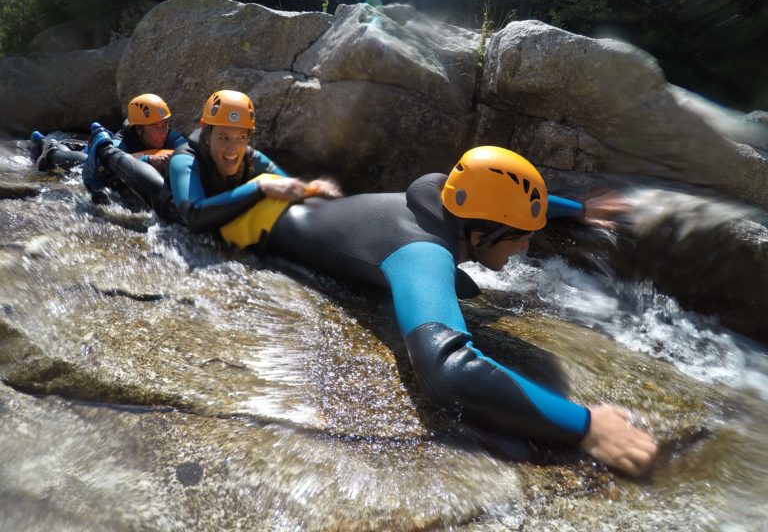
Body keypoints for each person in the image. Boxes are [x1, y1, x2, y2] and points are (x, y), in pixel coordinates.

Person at [237, 145, 657, 477]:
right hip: (254, 221)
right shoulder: (420, 253)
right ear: (477, 233)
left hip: (304, 204)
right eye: (518, 238)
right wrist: (586, 426)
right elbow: (448, 369)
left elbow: (513, 201)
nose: (526, 247)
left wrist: (581, 210)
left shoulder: (450, 194)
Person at [169, 89, 341, 238]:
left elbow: (288, 185)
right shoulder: (185, 159)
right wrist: (260, 188)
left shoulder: (251, 157)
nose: (233, 150)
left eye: (241, 137)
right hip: (174, 213)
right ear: (207, 137)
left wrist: (310, 190)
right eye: (224, 137)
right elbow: (193, 217)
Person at [85, 93, 189, 217]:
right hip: (91, 162)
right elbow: (111, 166)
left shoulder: (172, 137)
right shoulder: (122, 140)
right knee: (81, 159)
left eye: (165, 124)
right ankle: (55, 152)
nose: (163, 132)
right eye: (155, 127)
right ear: (139, 129)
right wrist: (148, 160)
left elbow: (188, 152)